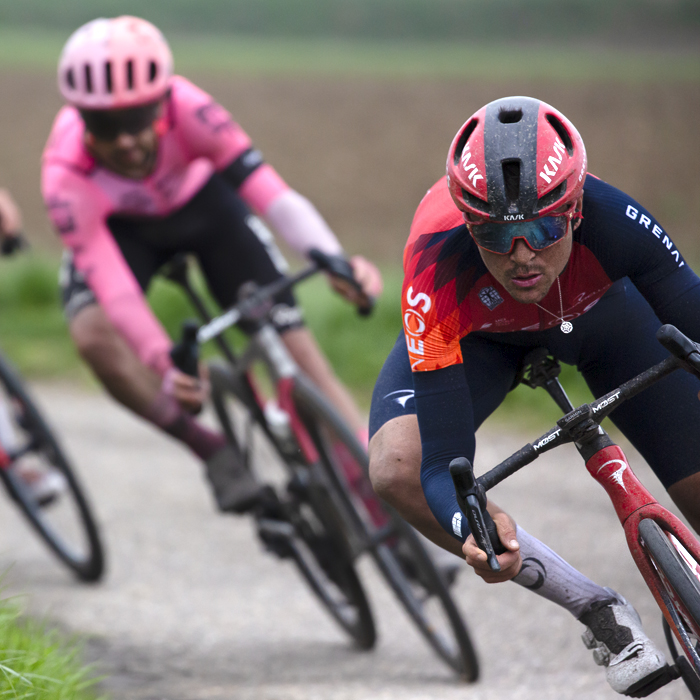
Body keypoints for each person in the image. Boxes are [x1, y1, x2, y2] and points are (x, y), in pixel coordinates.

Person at [368, 95, 700, 696]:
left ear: (574, 210)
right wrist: (467, 520)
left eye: (543, 230)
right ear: (470, 226)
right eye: (496, 236)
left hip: (600, 319)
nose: (522, 256)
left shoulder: (615, 217)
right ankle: (599, 612)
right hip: (481, 341)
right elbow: (444, 464)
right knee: (398, 468)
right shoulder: (435, 265)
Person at [41, 16, 382, 514]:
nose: (126, 141)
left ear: (162, 102)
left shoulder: (191, 109)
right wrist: (162, 360)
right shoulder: (65, 172)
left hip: (204, 206)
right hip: (122, 233)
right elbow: (114, 289)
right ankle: (210, 448)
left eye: (138, 118)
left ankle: (383, 497)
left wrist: (329, 258)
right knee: (93, 332)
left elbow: (270, 192)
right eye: (105, 126)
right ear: (80, 118)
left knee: (298, 350)